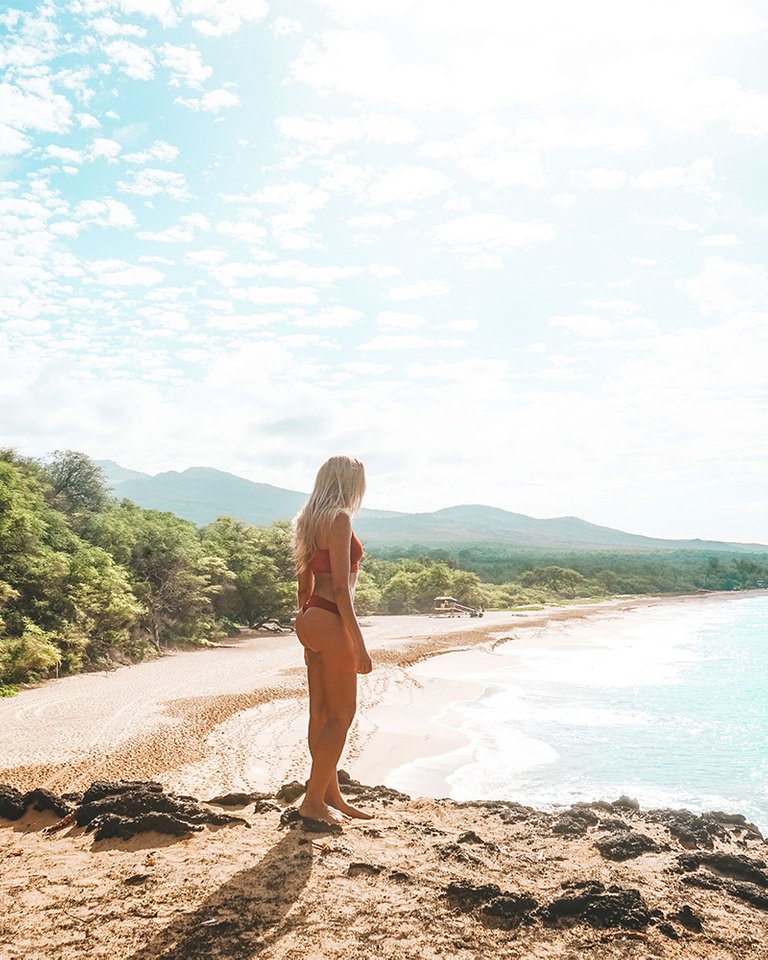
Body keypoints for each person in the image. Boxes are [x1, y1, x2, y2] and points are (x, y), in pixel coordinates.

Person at [293, 455, 373, 825]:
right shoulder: (340, 519)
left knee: (320, 713)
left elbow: (303, 582)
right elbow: (342, 589)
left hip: (310, 617)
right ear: (349, 482)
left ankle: (328, 794)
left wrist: (304, 620)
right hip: (331, 618)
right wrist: (358, 642)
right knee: (342, 715)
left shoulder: (308, 519)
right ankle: (312, 803)